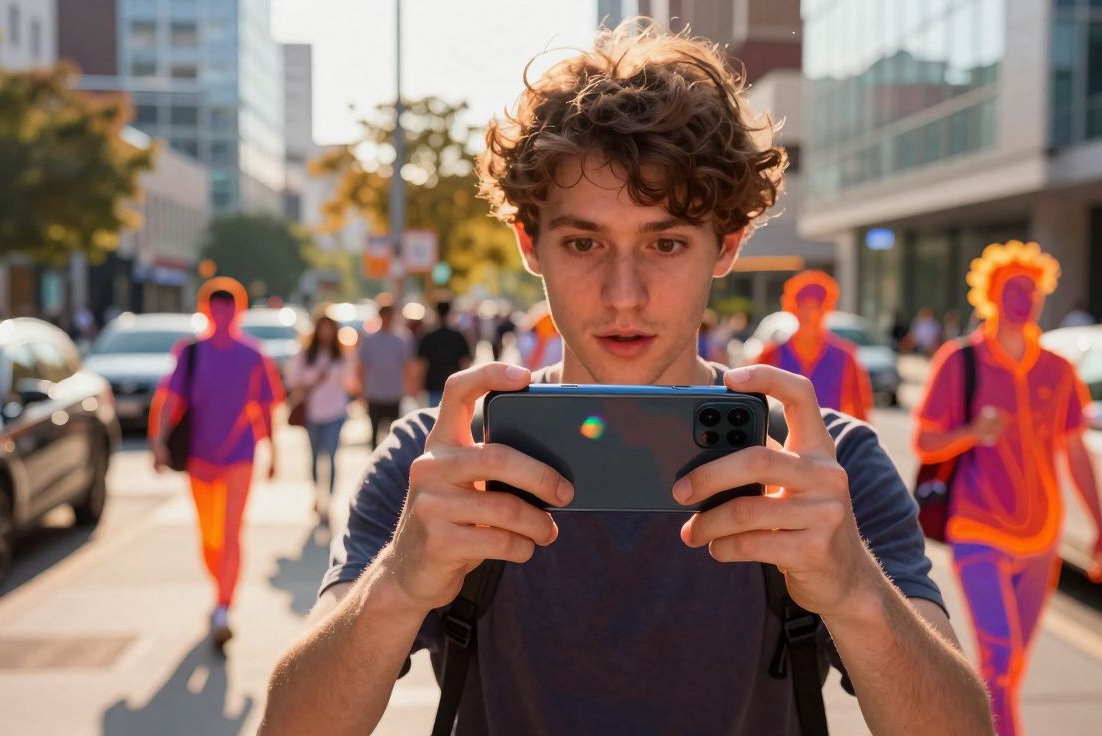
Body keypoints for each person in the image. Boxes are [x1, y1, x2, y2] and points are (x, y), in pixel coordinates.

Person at [263, 24, 991, 736]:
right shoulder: (442, 460)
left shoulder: (823, 466)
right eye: (584, 242)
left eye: (666, 242)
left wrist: (854, 590)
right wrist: (397, 585)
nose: (623, 294)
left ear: (727, 245)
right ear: (529, 244)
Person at [913, 241, 1102, 736]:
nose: (1024, 297)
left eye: (1032, 288)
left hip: (1044, 540)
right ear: (991, 295)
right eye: (1012, 287)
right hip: (978, 529)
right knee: (999, 658)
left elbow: (1078, 454)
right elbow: (924, 440)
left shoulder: (1059, 370)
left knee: (1011, 668)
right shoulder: (960, 361)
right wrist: (971, 434)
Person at [149, 277, 283, 650]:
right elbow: (168, 401)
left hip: (240, 455)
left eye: (228, 305)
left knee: (231, 532)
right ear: (204, 309)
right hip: (199, 457)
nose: (221, 312)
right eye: (214, 304)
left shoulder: (254, 354)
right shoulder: (190, 352)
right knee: (209, 537)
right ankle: (219, 589)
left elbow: (265, 407)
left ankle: (224, 606)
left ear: (238, 309)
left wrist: (274, 452)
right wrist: (158, 444)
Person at [755, 271, 873, 420]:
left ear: (827, 308)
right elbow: (758, 408)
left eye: (816, 307)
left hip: (831, 439)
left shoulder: (845, 357)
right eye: (803, 306)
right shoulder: (770, 355)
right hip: (781, 440)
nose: (810, 315)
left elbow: (860, 411)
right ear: (792, 307)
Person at [288, 312, 357, 522]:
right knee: (315, 456)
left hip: (335, 412)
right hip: (313, 413)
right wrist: (314, 377)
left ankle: (330, 500)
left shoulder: (342, 355)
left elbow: (351, 382)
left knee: (332, 456)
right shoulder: (306, 354)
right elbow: (292, 379)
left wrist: (335, 377)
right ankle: (317, 494)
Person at [356, 301, 415, 448]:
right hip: (375, 393)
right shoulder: (370, 340)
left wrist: (410, 388)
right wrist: (362, 390)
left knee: (393, 432)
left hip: (393, 393)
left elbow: (407, 366)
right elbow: (362, 366)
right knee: (374, 431)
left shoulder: (402, 339)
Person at [414, 301, 473, 408]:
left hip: (433, 385)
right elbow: (466, 362)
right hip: (454, 386)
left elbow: (421, 364)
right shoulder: (458, 336)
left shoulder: (428, 337)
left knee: (434, 419)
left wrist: (418, 386)